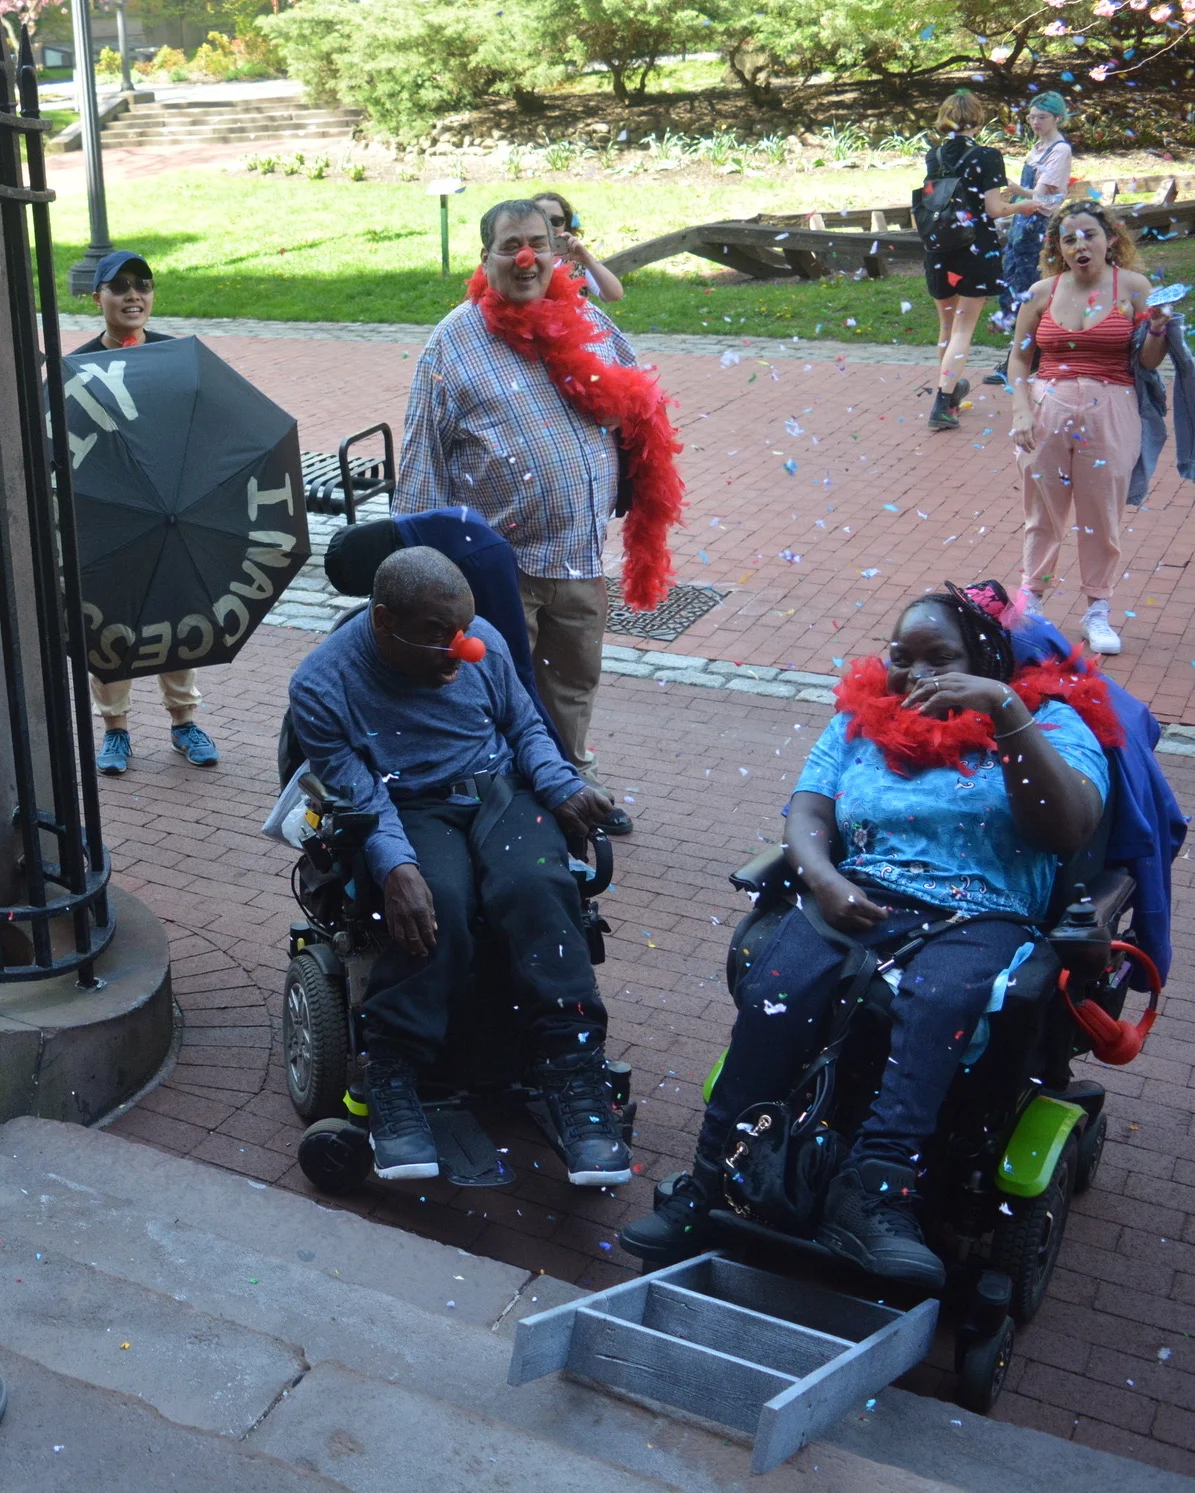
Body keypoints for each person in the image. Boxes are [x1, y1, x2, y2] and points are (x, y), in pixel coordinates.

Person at [620, 583, 1112, 1287]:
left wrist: (1004, 712)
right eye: (901, 656)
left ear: (985, 661)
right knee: (777, 985)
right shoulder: (860, 719)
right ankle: (710, 1181)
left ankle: (875, 1193)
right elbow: (807, 813)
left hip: (980, 909)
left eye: (939, 659)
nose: (914, 674)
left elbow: (1066, 829)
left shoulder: (1052, 724)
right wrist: (823, 879)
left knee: (940, 1000)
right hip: (860, 893)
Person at [288, 546, 633, 1187]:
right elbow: (361, 797)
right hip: (408, 803)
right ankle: (393, 1072)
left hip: (499, 791)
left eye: (464, 629)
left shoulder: (481, 642)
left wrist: (560, 784)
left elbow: (525, 727)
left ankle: (573, 1069)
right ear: (385, 622)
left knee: (538, 885)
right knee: (438, 901)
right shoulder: (321, 684)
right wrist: (396, 867)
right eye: (437, 635)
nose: (462, 649)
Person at [393, 199, 685, 838]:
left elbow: (641, 406)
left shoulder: (591, 320)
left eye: (537, 243)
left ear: (557, 251)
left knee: (574, 681)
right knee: (499, 686)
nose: (526, 258)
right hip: (502, 567)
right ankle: (509, 792)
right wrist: (419, 565)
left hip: (580, 553)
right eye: (510, 247)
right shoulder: (453, 343)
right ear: (486, 258)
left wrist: (634, 465)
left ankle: (574, 777)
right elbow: (422, 460)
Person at [76, 250, 220, 775]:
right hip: (109, 517)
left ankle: (184, 722)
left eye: (143, 284)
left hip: (170, 512)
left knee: (175, 614)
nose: (133, 295)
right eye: (119, 286)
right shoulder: (76, 370)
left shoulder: (177, 359)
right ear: (98, 298)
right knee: (109, 621)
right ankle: (115, 729)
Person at [1008, 200, 1170, 655]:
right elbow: (1019, 358)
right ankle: (1031, 598)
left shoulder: (1134, 287)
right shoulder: (1041, 292)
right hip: (1048, 410)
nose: (1080, 246)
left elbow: (1147, 362)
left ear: (1110, 238)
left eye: (1089, 235)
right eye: (1069, 239)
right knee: (1042, 511)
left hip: (1111, 410)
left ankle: (1097, 609)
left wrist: (1157, 329)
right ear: (1058, 248)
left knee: (1102, 514)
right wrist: (1020, 410)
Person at [921, 90, 1046, 433]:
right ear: (976, 119)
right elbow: (994, 209)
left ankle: (948, 392)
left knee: (946, 327)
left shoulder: (933, 155)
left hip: (938, 247)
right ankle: (941, 403)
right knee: (963, 328)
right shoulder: (988, 155)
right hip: (974, 248)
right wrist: (1022, 206)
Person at [984, 92, 1072, 384]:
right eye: (1032, 117)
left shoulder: (1060, 150)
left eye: (1042, 117)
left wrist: (1008, 185)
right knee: (1011, 286)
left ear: (1057, 118)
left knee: (1027, 289)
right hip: (1023, 223)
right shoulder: (1038, 146)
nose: (1035, 122)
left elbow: (1041, 196)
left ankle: (1025, 357)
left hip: (1039, 226)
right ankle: (1024, 354)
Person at [532, 191, 625, 302]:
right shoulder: (521, 260)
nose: (549, 226)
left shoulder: (576, 262)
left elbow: (614, 295)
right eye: (542, 220)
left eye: (556, 221)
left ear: (565, 225)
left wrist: (587, 259)